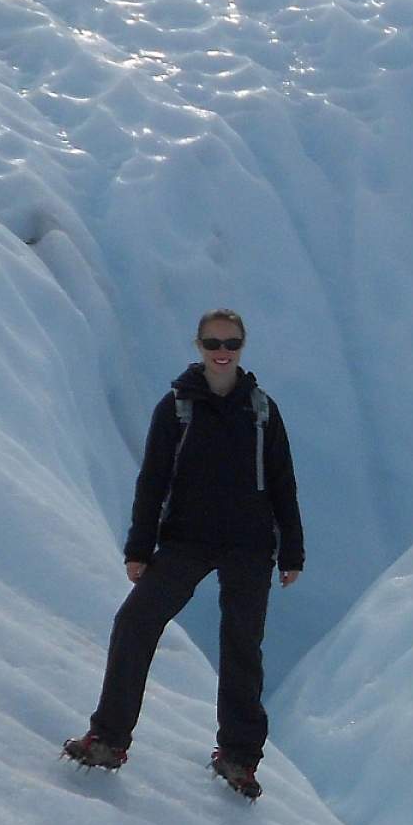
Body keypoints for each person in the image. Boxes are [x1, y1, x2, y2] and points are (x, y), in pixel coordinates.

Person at [64, 309, 304, 798]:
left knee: (241, 648)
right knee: (135, 624)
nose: (223, 351)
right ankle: (108, 738)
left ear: (243, 345)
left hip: (249, 546)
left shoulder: (261, 410)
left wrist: (291, 551)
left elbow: (283, 482)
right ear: (197, 345)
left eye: (231, 342)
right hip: (185, 541)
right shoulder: (176, 408)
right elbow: (152, 481)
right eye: (213, 342)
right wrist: (139, 547)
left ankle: (239, 758)